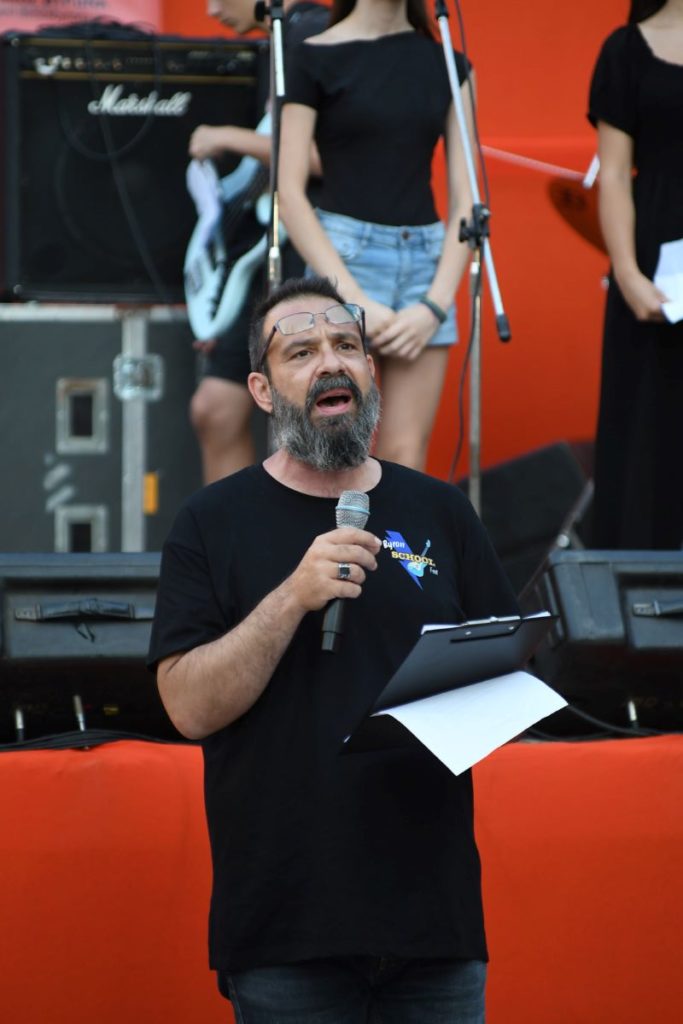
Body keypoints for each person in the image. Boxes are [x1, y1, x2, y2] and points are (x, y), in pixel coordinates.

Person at [148, 274, 519, 1022]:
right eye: (302, 351)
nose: (331, 361)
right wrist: (292, 596)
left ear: (370, 372)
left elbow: (503, 672)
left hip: (433, 924)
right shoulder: (211, 523)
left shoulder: (441, 511)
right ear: (261, 390)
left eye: (346, 345)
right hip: (287, 928)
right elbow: (188, 707)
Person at [278, 0, 476, 473]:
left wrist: (434, 306)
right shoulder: (312, 56)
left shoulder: (448, 62)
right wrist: (349, 296)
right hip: (344, 258)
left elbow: (467, 202)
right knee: (331, 447)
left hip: (426, 263)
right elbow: (290, 192)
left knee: (406, 456)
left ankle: (390, 533)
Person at [188, 0, 329, 483]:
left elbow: (321, 157)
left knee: (306, 420)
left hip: (307, 252)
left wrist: (226, 137)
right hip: (263, 254)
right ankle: (232, 529)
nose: (212, 10)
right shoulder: (276, 41)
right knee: (215, 409)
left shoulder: (311, 31)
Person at [588, 0, 683, 549]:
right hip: (655, 262)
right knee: (647, 427)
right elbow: (615, 173)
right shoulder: (625, 50)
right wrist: (627, 273)